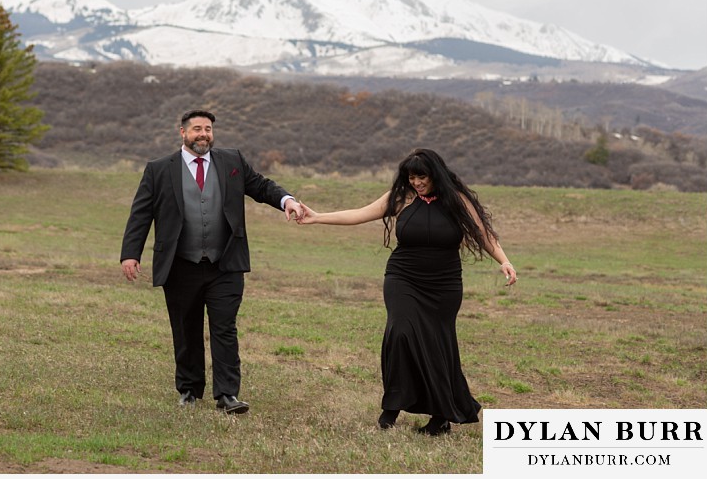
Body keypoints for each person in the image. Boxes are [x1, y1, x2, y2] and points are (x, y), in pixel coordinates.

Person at [296, 148, 517, 435]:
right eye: (411, 176)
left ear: (435, 174)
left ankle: (440, 418)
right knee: (400, 332)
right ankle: (392, 405)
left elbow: (482, 233)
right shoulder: (401, 198)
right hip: (404, 277)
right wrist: (317, 217)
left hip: (444, 284)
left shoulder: (456, 200)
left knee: (438, 345)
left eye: (421, 176)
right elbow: (360, 214)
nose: (416, 182)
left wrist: (504, 260)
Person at [120, 109, 304, 414]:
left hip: (225, 264)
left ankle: (227, 395)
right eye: (196, 129)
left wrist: (287, 200)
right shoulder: (159, 169)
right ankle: (189, 390)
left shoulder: (231, 161)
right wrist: (130, 253)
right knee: (186, 328)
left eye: (207, 129)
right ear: (182, 133)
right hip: (180, 265)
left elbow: (260, 186)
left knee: (224, 328)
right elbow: (141, 213)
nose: (203, 134)